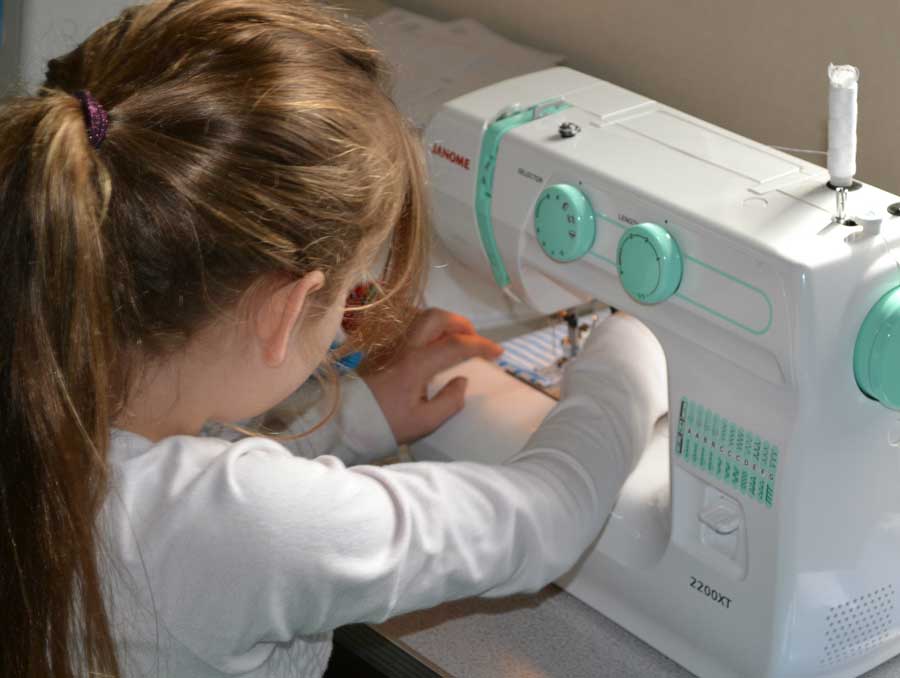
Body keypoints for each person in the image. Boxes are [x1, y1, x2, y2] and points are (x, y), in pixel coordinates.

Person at [0, 1, 668, 677]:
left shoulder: (49, 399)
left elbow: (196, 473)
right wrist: (631, 349)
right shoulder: (242, 528)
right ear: (287, 310)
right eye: (351, 287)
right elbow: (545, 518)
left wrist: (362, 414)